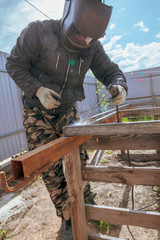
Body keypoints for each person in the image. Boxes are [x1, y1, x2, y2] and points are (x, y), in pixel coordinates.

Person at [6, 0, 128, 230]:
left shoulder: (92, 46)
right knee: (49, 167)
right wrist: (37, 89)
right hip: (37, 112)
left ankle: (87, 204)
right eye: (80, 35)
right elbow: (14, 64)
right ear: (69, 19)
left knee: (79, 160)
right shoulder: (38, 31)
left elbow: (110, 71)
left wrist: (119, 85)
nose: (84, 41)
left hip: (68, 109)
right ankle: (68, 215)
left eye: (90, 38)